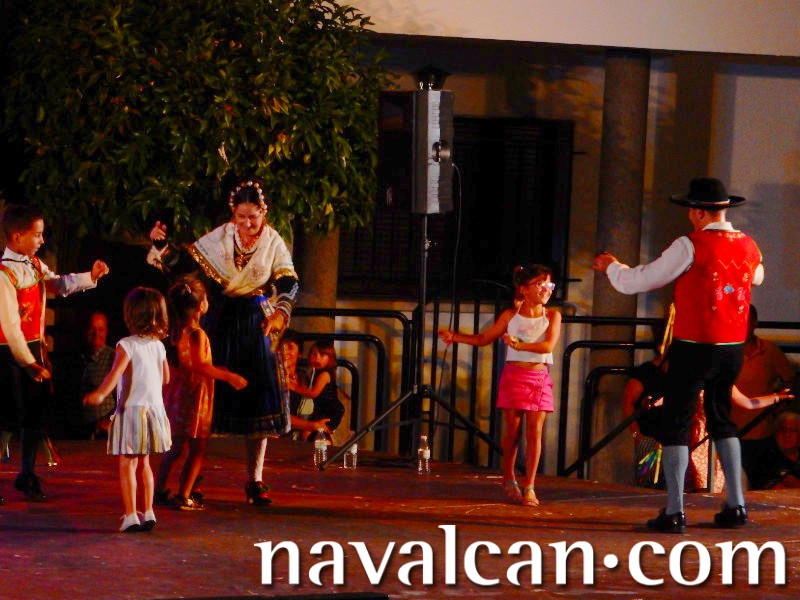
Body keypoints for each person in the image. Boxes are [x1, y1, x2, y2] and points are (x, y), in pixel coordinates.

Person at [593, 177, 763, 532]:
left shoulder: (690, 245)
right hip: (732, 347)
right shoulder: (749, 245)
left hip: (694, 346)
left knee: (678, 422)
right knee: (722, 419)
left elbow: (637, 281)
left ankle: (674, 511)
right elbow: (757, 277)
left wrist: (611, 266)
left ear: (698, 212)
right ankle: (736, 505)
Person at [147, 174, 299, 506]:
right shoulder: (220, 237)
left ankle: (255, 479)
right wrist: (162, 246)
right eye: (241, 217)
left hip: (257, 323)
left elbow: (289, 283)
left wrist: (279, 314)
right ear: (233, 214)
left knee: (258, 399)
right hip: (220, 320)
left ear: (264, 213)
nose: (247, 223)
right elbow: (186, 265)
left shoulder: (273, 243)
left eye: (253, 216)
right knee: (207, 402)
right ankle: (191, 480)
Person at [0, 204, 109, 503]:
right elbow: (10, 326)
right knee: (6, 417)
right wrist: (28, 363)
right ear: (17, 236)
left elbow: (58, 284)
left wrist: (89, 276)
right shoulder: (4, 274)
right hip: (9, 352)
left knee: (34, 414)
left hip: (34, 348)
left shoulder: (35, 265)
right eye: (37, 235)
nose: (41, 240)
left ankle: (26, 474)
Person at [439, 263, 561, 507]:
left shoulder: (552, 316)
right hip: (514, 376)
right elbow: (485, 338)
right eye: (540, 284)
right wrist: (456, 337)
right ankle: (509, 477)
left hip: (539, 378)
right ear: (524, 289)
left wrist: (519, 344)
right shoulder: (510, 315)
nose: (546, 289)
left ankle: (530, 485)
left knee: (535, 432)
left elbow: (548, 346)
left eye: (549, 284)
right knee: (513, 431)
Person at [624, 352, 792, 492]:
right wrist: (652, 402)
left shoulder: (722, 385)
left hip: (711, 439)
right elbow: (669, 398)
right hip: (691, 437)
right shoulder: (690, 383)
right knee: (688, 478)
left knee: (709, 480)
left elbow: (748, 403)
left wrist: (775, 397)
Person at [83, 287, 172, 532]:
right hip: (154, 411)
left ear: (130, 315)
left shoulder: (126, 345)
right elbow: (166, 377)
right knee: (145, 463)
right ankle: (149, 511)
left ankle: (131, 515)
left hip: (132, 411)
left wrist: (100, 394)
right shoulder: (158, 346)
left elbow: (115, 374)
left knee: (127, 464)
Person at [155, 277, 247, 510]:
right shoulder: (196, 333)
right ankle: (183, 494)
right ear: (199, 306)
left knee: (176, 447)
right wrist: (228, 376)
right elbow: (199, 365)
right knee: (197, 448)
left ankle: (159, 490)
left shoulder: (177, 331)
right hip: (194, 395)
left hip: (178, 393)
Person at [730, 304, 798, 481]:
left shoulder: (769, 351)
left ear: (755, 323)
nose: (743, 325)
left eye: (747, 321)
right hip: (731, 431)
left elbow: (791, 382)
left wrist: (780, 401)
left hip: (762, 433)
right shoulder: (728, 352)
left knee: (759, 481)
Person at [277, 331, 333, 439]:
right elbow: (276, 415)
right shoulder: (272, 378)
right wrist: (312, 425)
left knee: (322, 440)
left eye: (290, 347)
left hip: (305, 432)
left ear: (299, 353)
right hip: (280, 434)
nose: (284, 352)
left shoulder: (306, 378)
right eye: (280, 347)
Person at [286, 340, 344, 442]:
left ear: (330, 358)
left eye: (322, 355)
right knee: (308, 432)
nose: (317, 358)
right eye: (313, 354)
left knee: (316, 433)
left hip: (329, 410)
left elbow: (313, 393)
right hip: (321, 409)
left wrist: (294, 387)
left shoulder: (324, 374)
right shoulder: (312, 373)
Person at [80, 311, 116, 439]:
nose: (96, 334)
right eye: (92, 329)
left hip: (104, 434)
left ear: (106, 332)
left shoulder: (114, 358)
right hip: (81, 432)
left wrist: (107, 422)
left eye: (100, 329)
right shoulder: (79, 358)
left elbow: (126, 398)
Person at [747, 411, 800, 490]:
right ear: (776, 433)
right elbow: (766, 486)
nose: (787, 435)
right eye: (783, 430)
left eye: (792, 430)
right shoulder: (765, 455)